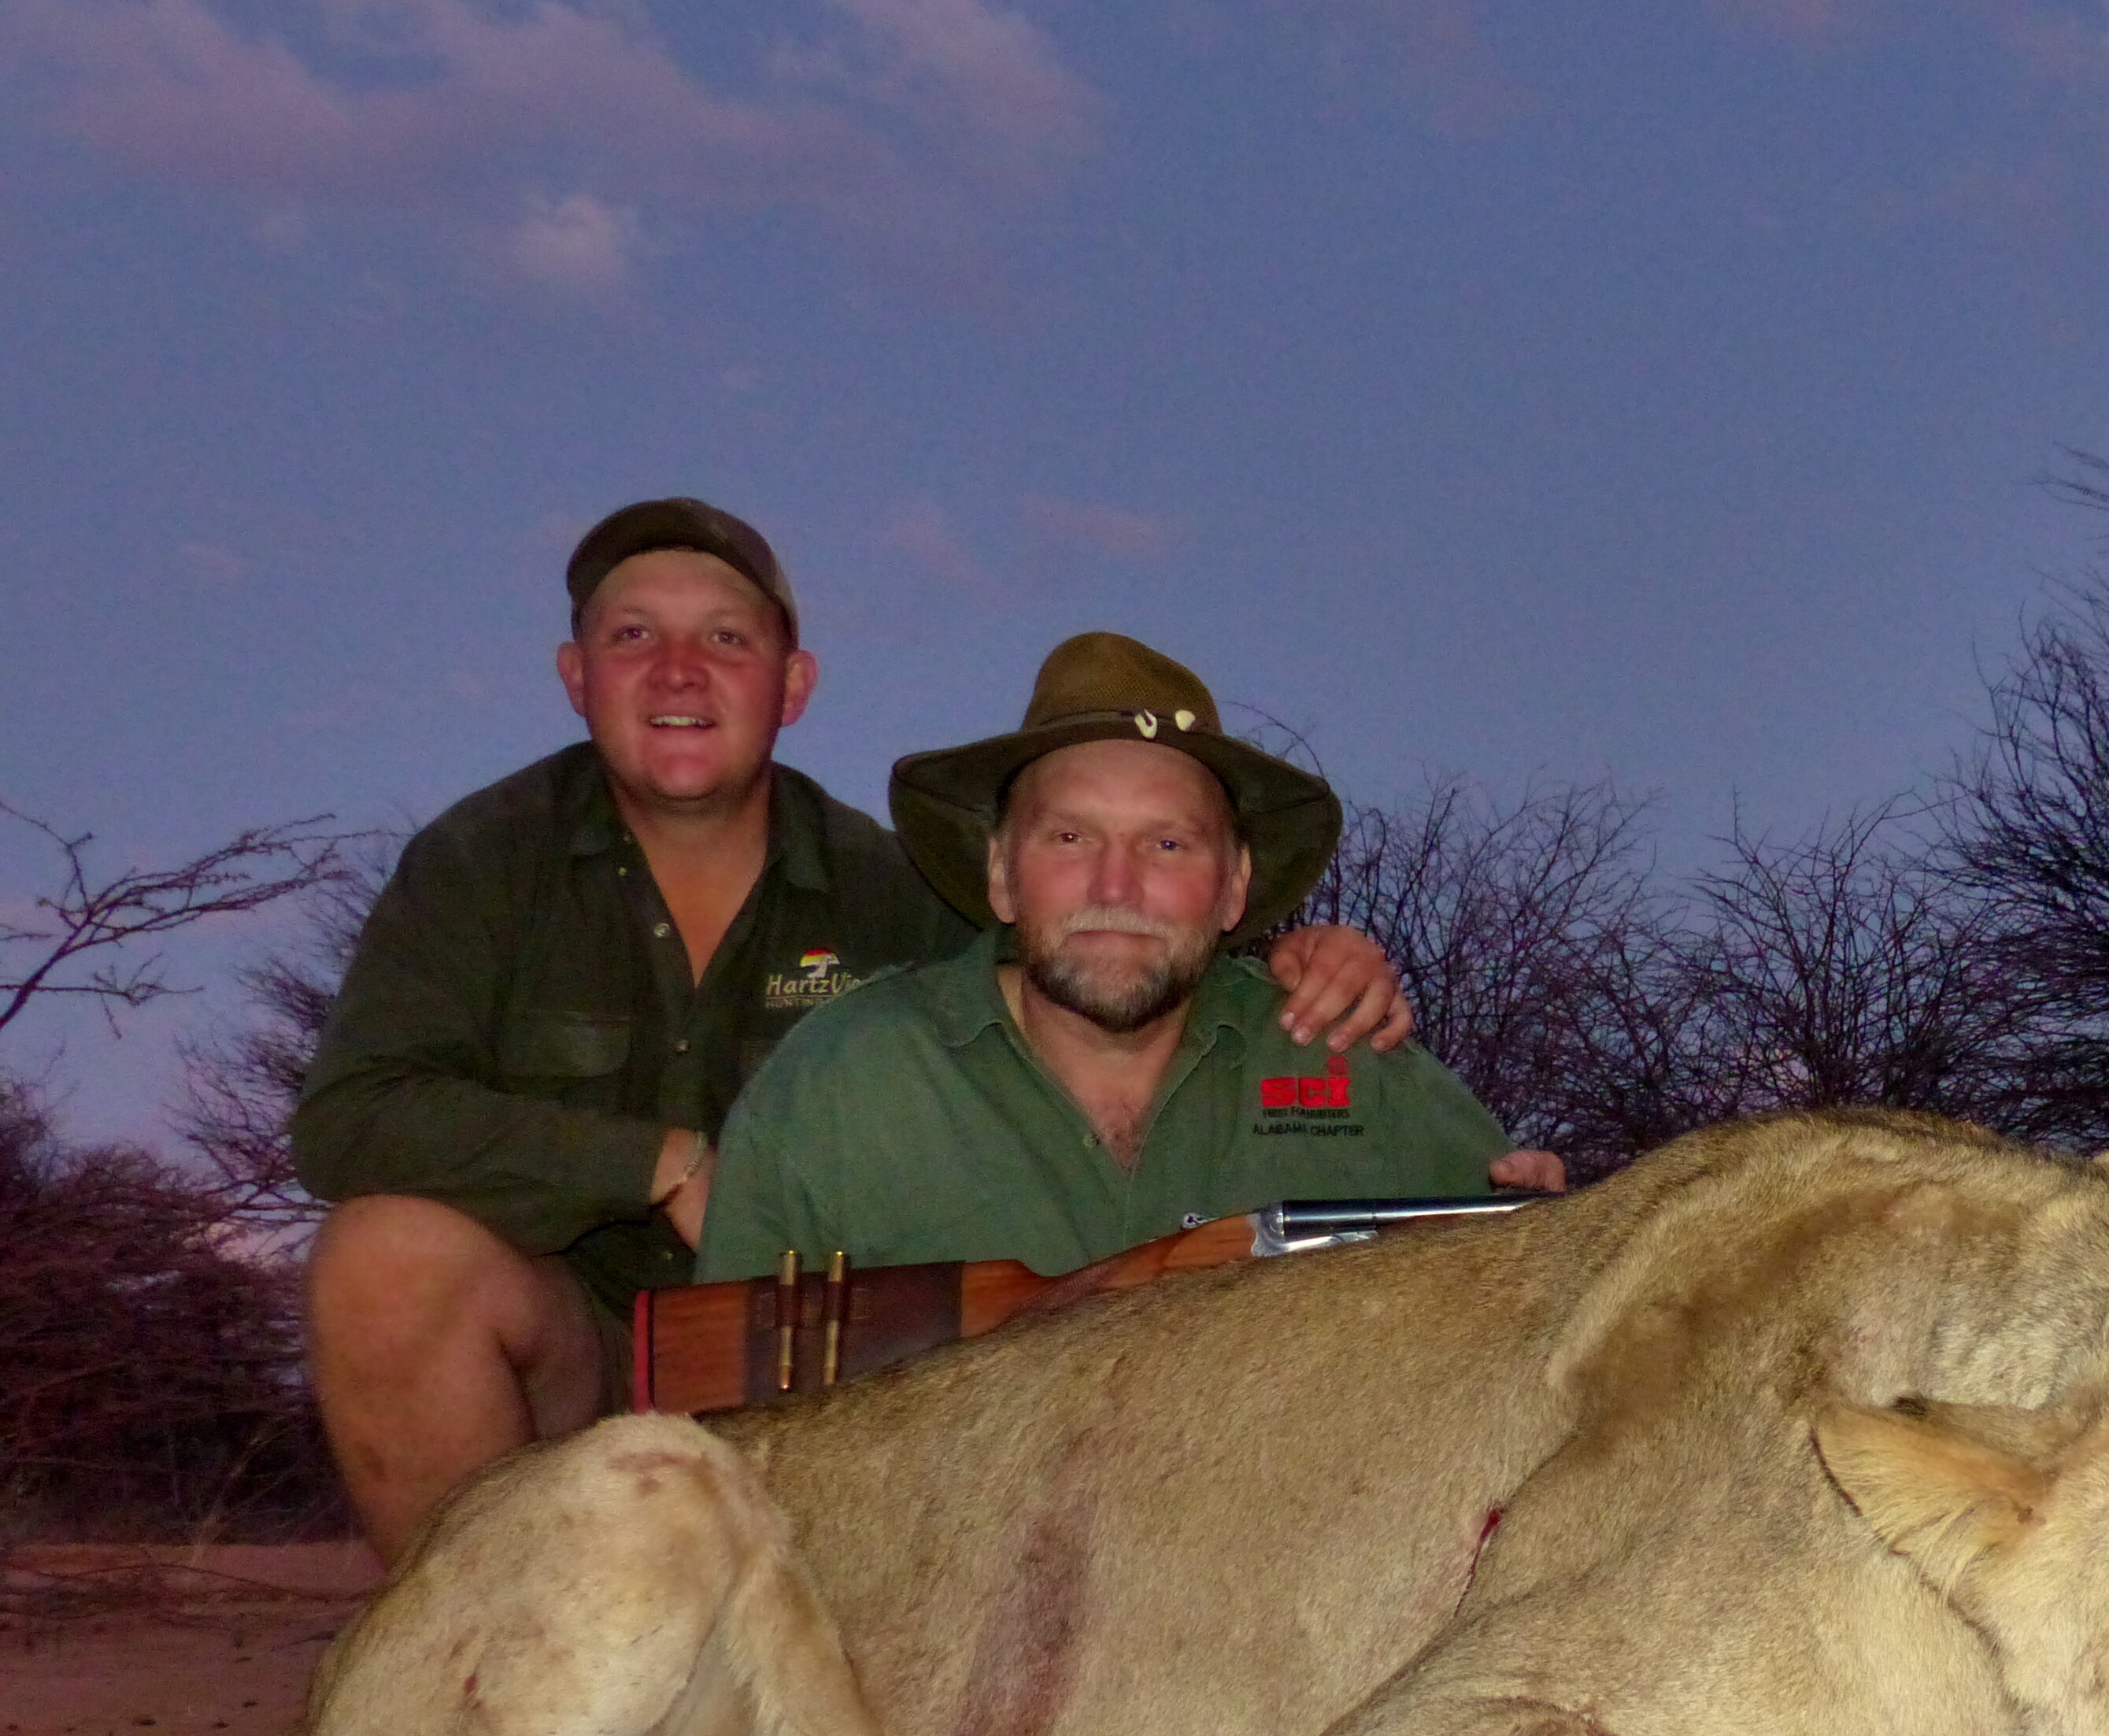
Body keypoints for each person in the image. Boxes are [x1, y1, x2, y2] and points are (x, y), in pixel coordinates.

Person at [295, 504, 1408, 1564]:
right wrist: (656, 1165)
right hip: (570, 1351)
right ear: (576, 676)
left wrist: (1293, 962)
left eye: (726, 638)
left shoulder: (896, 890)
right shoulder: (478, 862)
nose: (678, 670)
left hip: (827, 1368)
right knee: (386, 1265)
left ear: (793, 685)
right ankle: (475, 1680)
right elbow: (350, 1118)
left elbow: (1095, 958)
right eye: (634, 635)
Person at [698, 630, 1564, 1284]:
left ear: (1233, 889)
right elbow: (729, 1424)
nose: (1117, 886)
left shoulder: (1354, 1065)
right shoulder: (840, 1083)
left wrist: (1559, 1241)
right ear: (1001, 874)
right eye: (1070, 837)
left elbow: (1530, 1289)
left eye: (1169, 845)